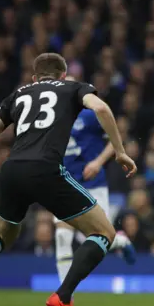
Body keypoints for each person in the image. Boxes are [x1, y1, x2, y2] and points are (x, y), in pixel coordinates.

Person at [0, 53, 137, 306]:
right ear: (63, 75)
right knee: (104, 232)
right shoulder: (73, 87)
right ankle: (63, 297)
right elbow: (101, 109)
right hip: (46, 169)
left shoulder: (18, 94)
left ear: (34, 78)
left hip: (11, 170)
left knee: (2, 235)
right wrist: (120, 152)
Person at [55, 75, 135, 284]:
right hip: (66, 183)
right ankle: (64, 295)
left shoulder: (90, 114)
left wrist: (98, 162)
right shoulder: (53, 117)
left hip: (93, 183)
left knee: (99, 237)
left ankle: (120, 242)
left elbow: (116, 138)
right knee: (62, 236)